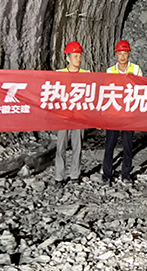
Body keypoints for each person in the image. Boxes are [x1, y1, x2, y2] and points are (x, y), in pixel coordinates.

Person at [103, 40, 142, 185]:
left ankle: (126, 174)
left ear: (129, 54)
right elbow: (105, 92)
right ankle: (106, 174)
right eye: (120, 53)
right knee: (109, 145)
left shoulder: (136, 69)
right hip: (113, 114)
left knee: (127, 146)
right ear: (116, 55)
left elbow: (141, 89)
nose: (122, 56)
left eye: (125, 53)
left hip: (128, 114)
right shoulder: (109, 71)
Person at [55, 41, 88, 187]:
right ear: (67, 58)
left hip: (79, 116)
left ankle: (75, 174)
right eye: (75, 56)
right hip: (63, 116)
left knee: (77, 146)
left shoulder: (87, 75)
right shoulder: (59, 74)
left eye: (79, 56)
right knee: (60, 147)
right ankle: (59, 176)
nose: (78, 59)